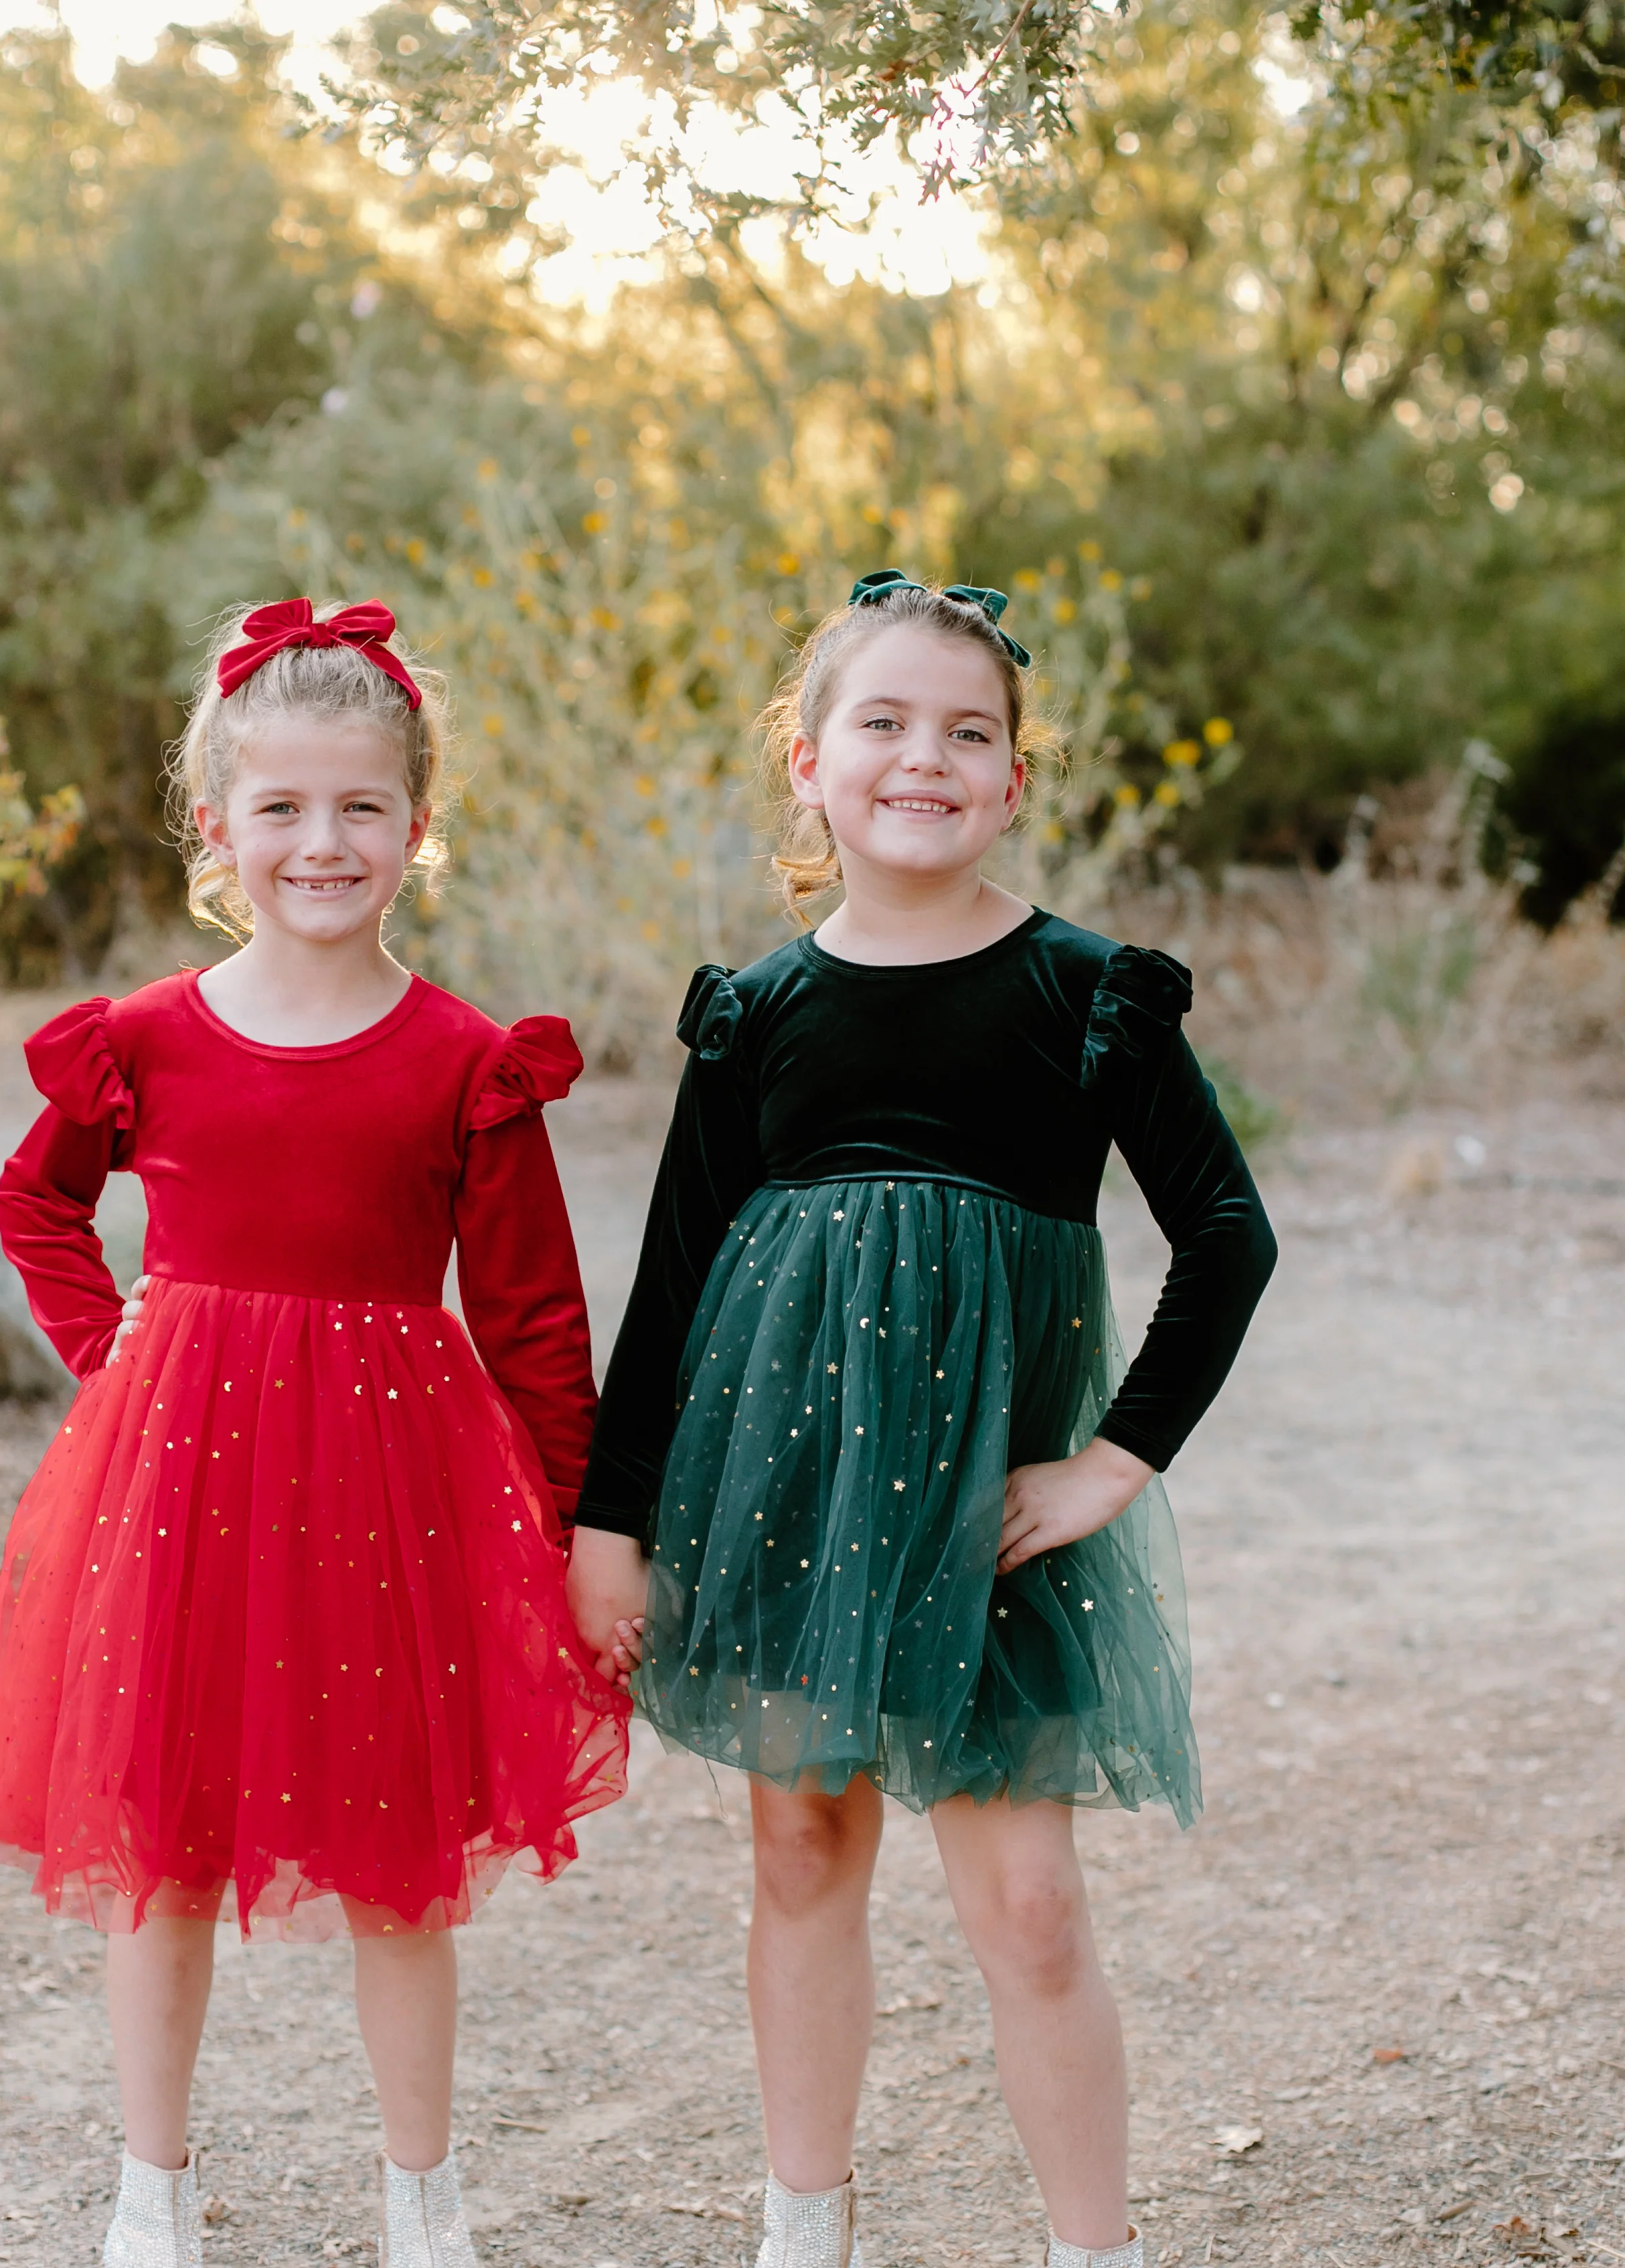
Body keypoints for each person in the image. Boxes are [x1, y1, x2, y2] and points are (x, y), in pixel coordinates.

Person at [566, 571, 1279, 2268]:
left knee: (1029, 1909)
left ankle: (1089, 2250)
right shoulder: (754, 1017)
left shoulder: (1083, 998)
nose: (923, 759)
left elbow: (1228, 1236)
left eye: (969, 733)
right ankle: (803, 2229)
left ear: (1016, 781)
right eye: (881, 724)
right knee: (804, 1848)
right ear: (808, 765)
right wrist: (612, 1524)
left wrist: (1116, 1459)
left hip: (990, 1516)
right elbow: (672, 1294)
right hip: (786, 1494)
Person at [0, 599, 629, 2268]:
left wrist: (570, 1524)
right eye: (283, 808)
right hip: (177, 1475)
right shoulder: (149, 1041)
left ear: (416, 822)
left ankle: (422, 2198)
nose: (321, 844)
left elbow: (536, 1318)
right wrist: (107, 1347)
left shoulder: (468, 1063)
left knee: (400, 1863)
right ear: (216, 825)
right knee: (159, 1849)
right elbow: (36, 1199)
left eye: (361, 809)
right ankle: (151, 2191)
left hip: (393, 1492)